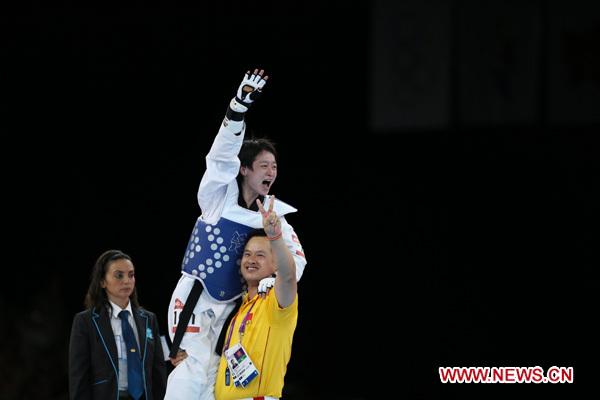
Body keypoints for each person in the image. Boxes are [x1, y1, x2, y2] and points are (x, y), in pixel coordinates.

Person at [165, 68, 307, 400]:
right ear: (244, 169)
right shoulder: (218, 196)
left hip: (234, 309)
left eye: (275, 166)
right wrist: (237, 109)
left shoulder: (275, 216)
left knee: (216, 381)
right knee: (187, 375)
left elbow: (297, 263)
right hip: (194, 298)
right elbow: (220, 158)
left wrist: (273, 281)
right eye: (264, 165)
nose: (272, 171)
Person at [214, 198, 299, 400]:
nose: (251, 260)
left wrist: (275, 236)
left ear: (275, 263)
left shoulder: (275, 302)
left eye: (260, 255)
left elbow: (288, 276)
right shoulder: (239, 307)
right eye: (247, 254)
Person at [69, 250, 167, 400]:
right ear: (102, 281)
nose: (127, 281)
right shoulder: (85, 321)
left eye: (131, 275)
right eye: (119, 275)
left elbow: (158, 369)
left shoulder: (149, 319)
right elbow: (79, 375)